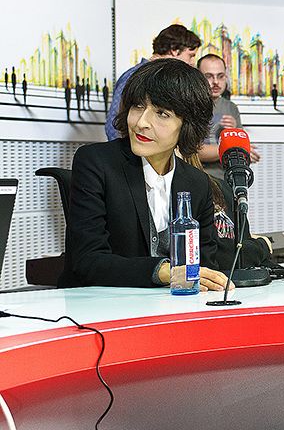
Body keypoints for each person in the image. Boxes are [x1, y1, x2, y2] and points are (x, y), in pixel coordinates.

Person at [60, 58, 232, 291]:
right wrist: (165, 272)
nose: (141, 122)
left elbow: (206, 267)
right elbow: (88, 261)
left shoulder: (197, 183)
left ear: (187, 125)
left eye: (161, 113)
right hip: (102, 304)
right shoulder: (96, 162)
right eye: (138, 106)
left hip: (175, 306)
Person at [105, 24, 201, 140]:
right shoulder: (136, 75)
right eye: (191, 55)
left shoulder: (157, 76)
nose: (192, 62)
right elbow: (113, 125)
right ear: (174, 50)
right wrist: (125, 151)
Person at [196, 53, 260, 179]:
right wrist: (233, 147)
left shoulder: (231, 107)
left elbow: (240, 150)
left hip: (226, 180)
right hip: (198, 179)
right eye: (209, 76)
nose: (216, 82)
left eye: (220, 76)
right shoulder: (190, 105)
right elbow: (193, 152)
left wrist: (239, 145)